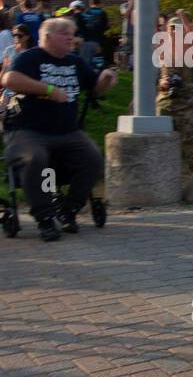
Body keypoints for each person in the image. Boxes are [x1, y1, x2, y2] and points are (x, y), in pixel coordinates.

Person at [0, 17, 118, 240]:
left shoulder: (74, 62)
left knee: (93, 158)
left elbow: (95, 87)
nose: (71, 38)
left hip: (67, 131)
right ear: (47, 37)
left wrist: (106, 78)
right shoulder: (30, 58)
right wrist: (48, 89)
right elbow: (9, 79)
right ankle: (44, 217)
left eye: (72, 33)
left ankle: (69, 209)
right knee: (35, 158)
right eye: (64, 33)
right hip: (28, 130)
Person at [155, 17, 193, 179]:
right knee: (162, 148)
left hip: (187, 105)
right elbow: (148, 77)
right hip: (164, 106)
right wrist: (160, 83)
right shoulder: (160, 51)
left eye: (178, 29)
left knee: (192, 148)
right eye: (171, 29)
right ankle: (165, 185)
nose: (174, 33)